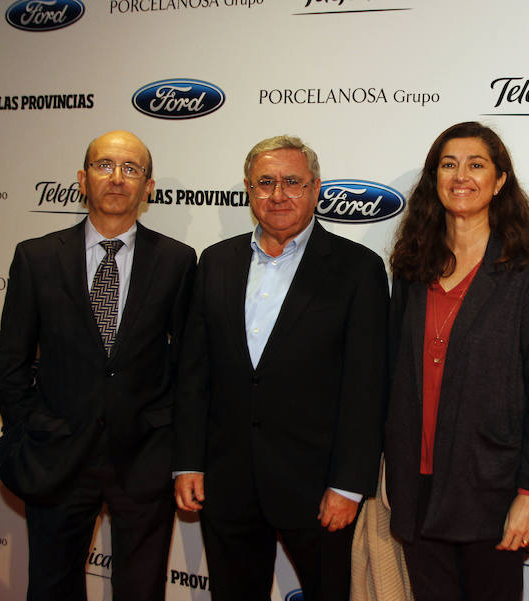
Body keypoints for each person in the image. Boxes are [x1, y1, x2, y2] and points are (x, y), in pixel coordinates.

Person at [173, 135, 388, 601]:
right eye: (265, 182)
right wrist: (187, 461)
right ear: (249, 191)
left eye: (292, 182)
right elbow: (194, 372)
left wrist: (349, 484)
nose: (278, 195)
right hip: (226, 484)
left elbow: (366, 388)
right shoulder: (215, 262)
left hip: (317, 489)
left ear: (316, 190)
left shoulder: (359, 269)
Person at [0, 130, 197, 601]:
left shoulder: (178, 261)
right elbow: (10, 361)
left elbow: (189, 367)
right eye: (105, 166)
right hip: (58, 455)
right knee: (51, 587)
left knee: (141, 591)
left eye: (131, 169)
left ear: (148, 186)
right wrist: (34, 427)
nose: (117, 178)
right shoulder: (36, 257)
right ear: (83, 179)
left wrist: (176, 445)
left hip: (145, 459)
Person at [384, 121, 529, 601]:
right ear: (434, 179)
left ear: (499, 180)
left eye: (476, 164)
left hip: (492, 489)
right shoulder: (409, 265)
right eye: (448, 164)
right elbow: (394, 377)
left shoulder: (528, 273)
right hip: (417, 486)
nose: (460, 176)